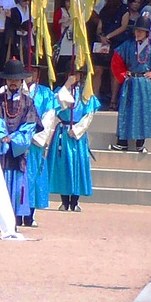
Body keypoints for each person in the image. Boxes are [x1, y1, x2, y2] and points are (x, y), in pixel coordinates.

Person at [0, 59, 41, 228]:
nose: (13, 82)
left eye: (16, 79)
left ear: (21, 81)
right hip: (2, 149)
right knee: (1, 183)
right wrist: (3, 137)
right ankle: (1, 219)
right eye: (10, 79)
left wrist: (15, 139)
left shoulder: (28, 102)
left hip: (18, 150)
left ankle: (15, 220)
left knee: (18, 186)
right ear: (5, 80)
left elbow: (30, 125)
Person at [110, 13, 151, 152]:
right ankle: (122, 142)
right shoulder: (127, 45)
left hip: (146, 84)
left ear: (147, 33)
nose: (138, 33)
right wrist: (123, 74)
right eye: (136, 30)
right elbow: (116, 60)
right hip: (131, 82)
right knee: (126, 110)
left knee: (145, 111)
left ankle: (140, 143)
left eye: (141, 31)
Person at [50, 66, 100, 212]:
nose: (75, 77)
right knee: (63, 165)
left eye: (77, 74)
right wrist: (66, 85)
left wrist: (78, 130)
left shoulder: (86, 94)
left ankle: (75, 201)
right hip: (63, 132)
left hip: (77, 134)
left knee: (78, 164)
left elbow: (89, 115)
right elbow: (59, 104)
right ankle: (64, 201)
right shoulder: (61, 91)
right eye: (72, 74)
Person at [26, 63, 61, 214]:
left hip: (34, 142)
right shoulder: (11, 91)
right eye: (27, 70)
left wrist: (35, 137)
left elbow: (49, 117)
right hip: (15, 143)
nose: (30, 74)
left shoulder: (46, 94)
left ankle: (30, 213)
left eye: (33, 71)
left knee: (33, 176)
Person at [93, 0, 130, 108]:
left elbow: (123, 26)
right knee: (98, 69)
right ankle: (95, 97)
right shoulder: (105, 10)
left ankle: (113, 100)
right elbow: (100, 26)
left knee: (114, 71)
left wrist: (109, 36)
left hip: (116, 43)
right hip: (103, 43)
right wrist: (101, 35)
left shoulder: (124, 9)